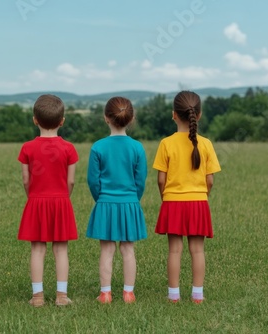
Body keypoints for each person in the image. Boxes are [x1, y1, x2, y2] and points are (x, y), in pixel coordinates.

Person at [153, 90, 221, 304]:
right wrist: (204, 195)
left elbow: (161, 180)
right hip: (199, 202)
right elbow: (209, 181)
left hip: (173, 202)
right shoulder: (207, 144)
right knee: (197, 250)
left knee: (174, 250)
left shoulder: (166, 143)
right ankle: (197, 295)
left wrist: (166, 197)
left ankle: (174, 295)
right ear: (198, 115)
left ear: (174, 114)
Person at [17, 94, 79, 307]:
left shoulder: (27, 148)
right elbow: (71, 181)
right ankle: (62, 296)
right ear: (62, 121)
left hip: (36, 200)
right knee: (61, 249)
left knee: (37, 249)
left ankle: (37, 296)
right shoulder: (69, 148)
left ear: (35, 119)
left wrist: (32, 195)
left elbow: (26, 179)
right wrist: (64, 197)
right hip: (61, 201)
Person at [86, 96, 147, 304]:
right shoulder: (137, 148)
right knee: (128, 249)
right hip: (130, 203)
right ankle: (128, 293)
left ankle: (105, 293)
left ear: (106, 118)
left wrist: (101, 199)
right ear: (131, 119)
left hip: (105, 204)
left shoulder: (98, 147)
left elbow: (93, 181)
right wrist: (132, 199)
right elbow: (140, 180)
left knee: (107, 250)